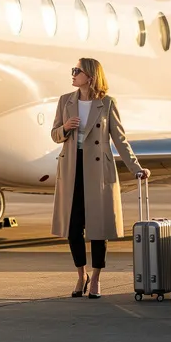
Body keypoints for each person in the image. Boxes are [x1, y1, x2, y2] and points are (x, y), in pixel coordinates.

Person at [51, 58, 147, 298]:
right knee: (74, 227)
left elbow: (120, 140)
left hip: (98, 172)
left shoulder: (106, 103)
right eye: (73, 70)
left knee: (98, 227)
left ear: (91, 76)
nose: (73, 74)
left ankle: (95, 279)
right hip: (72, 169)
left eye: (77, 71)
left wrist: (136, 167)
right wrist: (65, 127)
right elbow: (54, 135)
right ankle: (80, 275)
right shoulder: (66, 101)